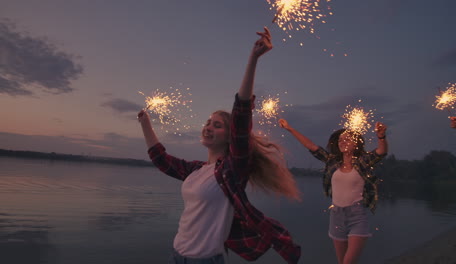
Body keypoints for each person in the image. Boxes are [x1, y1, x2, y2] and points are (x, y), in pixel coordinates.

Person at [138, 27, 301, 264]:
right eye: (207, 123)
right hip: (176, 255)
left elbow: (242, 114)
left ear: (230, 136)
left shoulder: (232, 171)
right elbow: (161, 160)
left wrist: (253, 59)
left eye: (217, 125)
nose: (208, 127)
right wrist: (145, 124)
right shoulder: (196, 171)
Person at [279, 118, 388, 264]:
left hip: (357, 216)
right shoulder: (332, 161)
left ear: (356, 143)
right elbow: (311, 146)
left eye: (347, 139)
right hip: (336, 216)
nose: (342, 141)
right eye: (340, 140)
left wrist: (381, 136)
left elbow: (381, 151)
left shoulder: (363, 161)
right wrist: (289, 128)